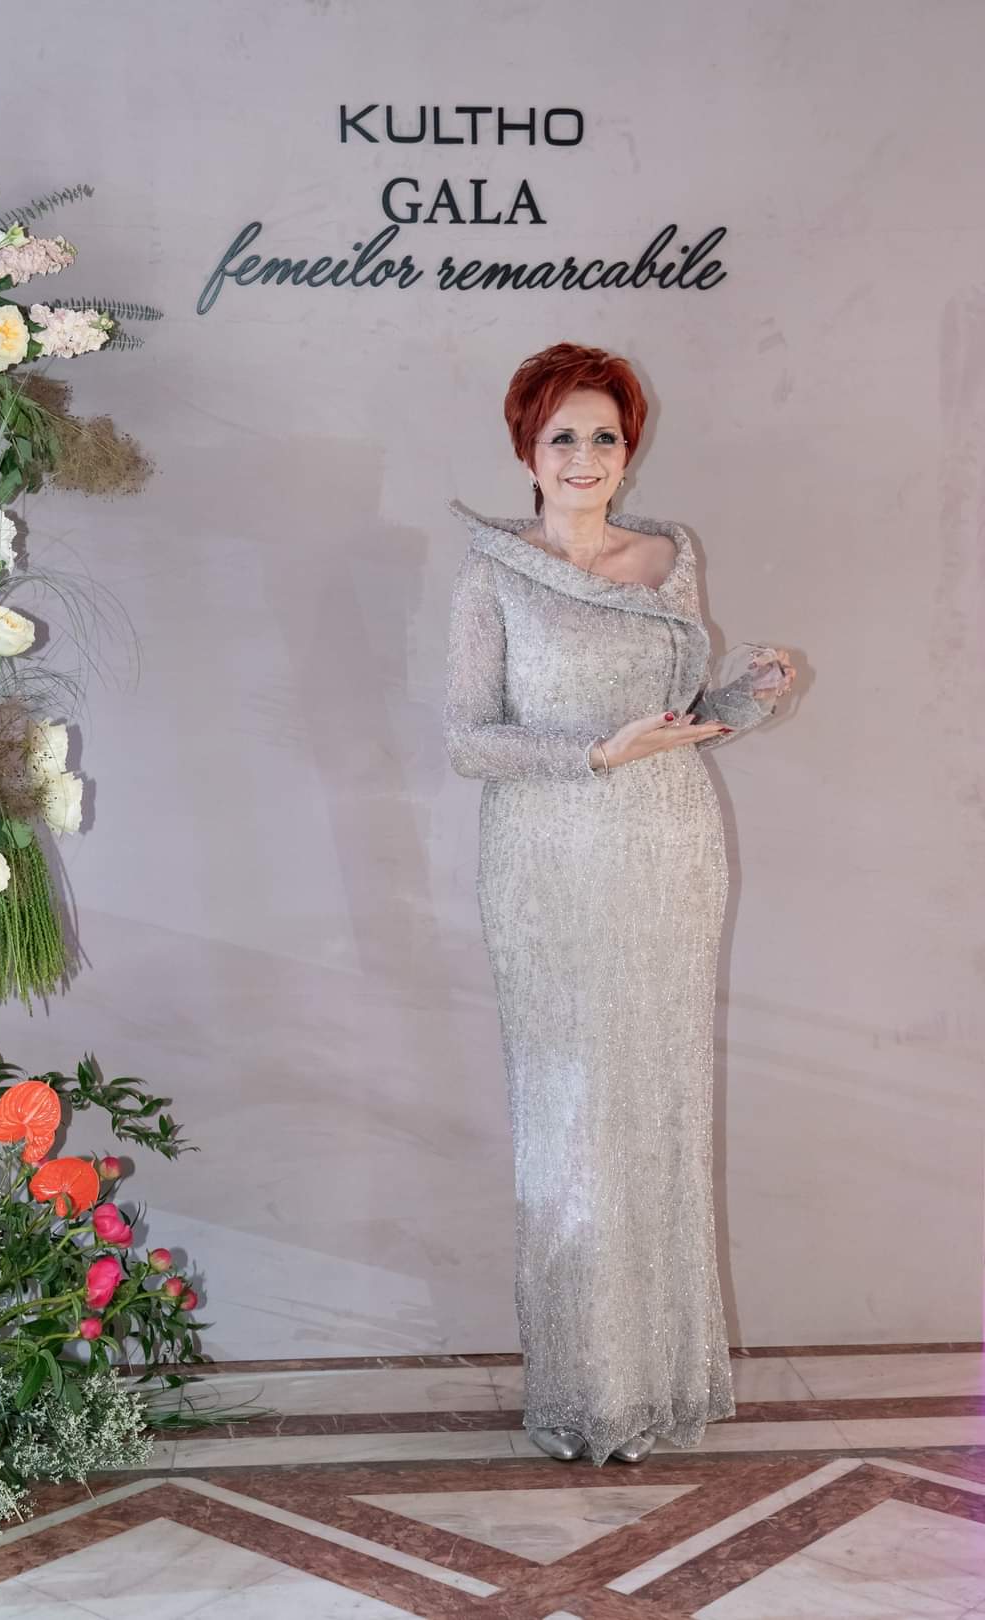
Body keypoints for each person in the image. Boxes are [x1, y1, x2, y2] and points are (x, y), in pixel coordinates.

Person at [442, 342, 796, 1467]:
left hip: (668, 853)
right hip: (547, 861)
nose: (585, 456)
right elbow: (469, 740)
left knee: (658, 1107)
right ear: (527, 453)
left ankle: (658, 1384)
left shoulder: (667, 556)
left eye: (604, 435)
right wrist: (596, 753)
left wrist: (749, 697)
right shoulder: (494, 575)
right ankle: (585, 1392)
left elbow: (680, 714)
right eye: (563, 437)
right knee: (571, 1122)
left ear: (629, 449)